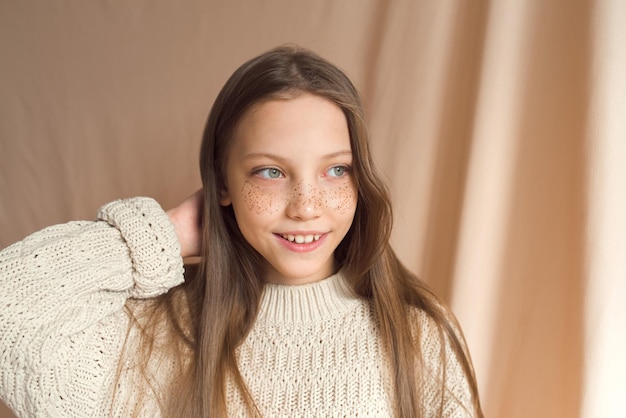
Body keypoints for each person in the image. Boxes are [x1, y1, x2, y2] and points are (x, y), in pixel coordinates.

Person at [0, 45, 483, 417]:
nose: (306, 207)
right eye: (270, 172)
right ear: (222, 180)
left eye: (336, 170)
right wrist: (165, 234)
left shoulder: (416, 333)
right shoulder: (155, 338)